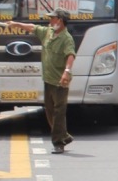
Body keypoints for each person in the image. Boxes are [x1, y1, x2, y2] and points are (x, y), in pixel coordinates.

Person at [6, 9, 76, 153]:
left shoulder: (66, 38)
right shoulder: (48, 32)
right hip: (48, 79)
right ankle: (64, 136)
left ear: (60, 21)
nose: (50, 21)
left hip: (60, 81)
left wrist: (66, 72)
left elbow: (70, 55)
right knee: (50, 110)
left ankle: (58, 142)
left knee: (59, 112)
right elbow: (32, 27)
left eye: (53, 18)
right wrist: (15, 24)